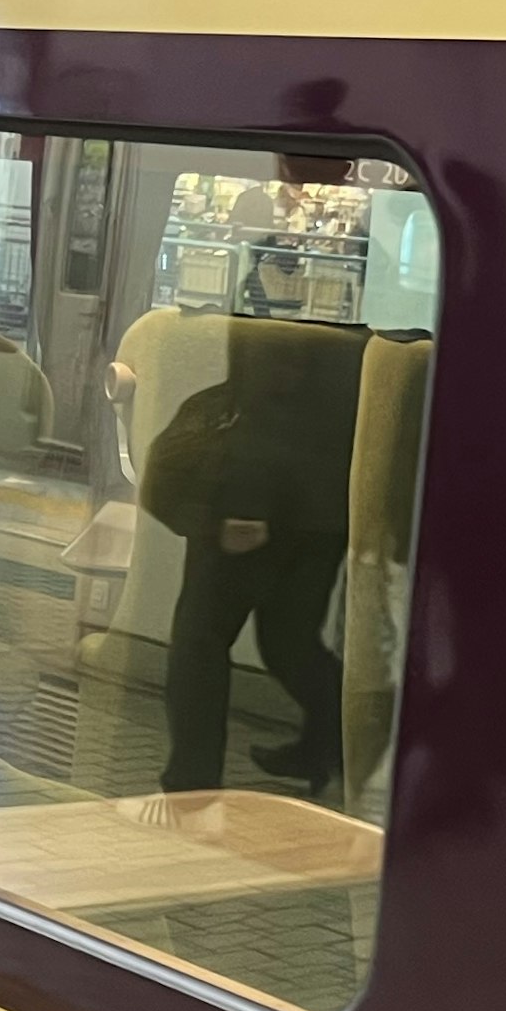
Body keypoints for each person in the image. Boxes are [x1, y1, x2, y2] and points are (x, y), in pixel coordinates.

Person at [142, 319, 364, 798]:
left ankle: (193, 780)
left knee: (200, 639)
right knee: (289, 639)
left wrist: (245, 506)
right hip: (324, 510)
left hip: (257, 508)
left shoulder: (276, 310)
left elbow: (269, 401)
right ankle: (334, 743)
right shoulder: (355, 336)